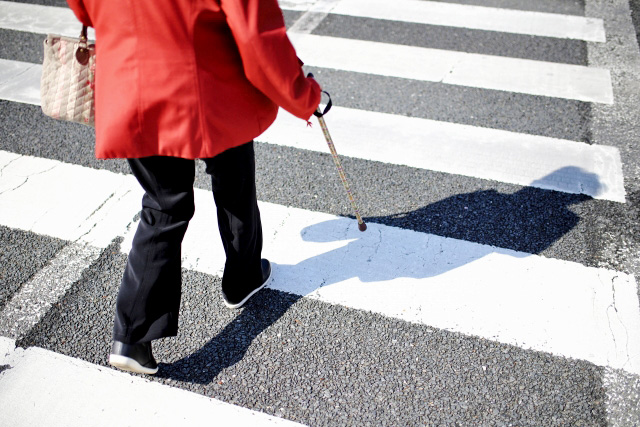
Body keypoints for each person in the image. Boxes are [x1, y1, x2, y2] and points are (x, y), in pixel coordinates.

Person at [66, 0, 321, 375]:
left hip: (130, 82)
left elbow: (83, 8)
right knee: (233, 175)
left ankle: (132, 337)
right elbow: (256, 33)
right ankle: (243, 276)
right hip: (207, 80)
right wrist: (304, 94)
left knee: (163, 204)